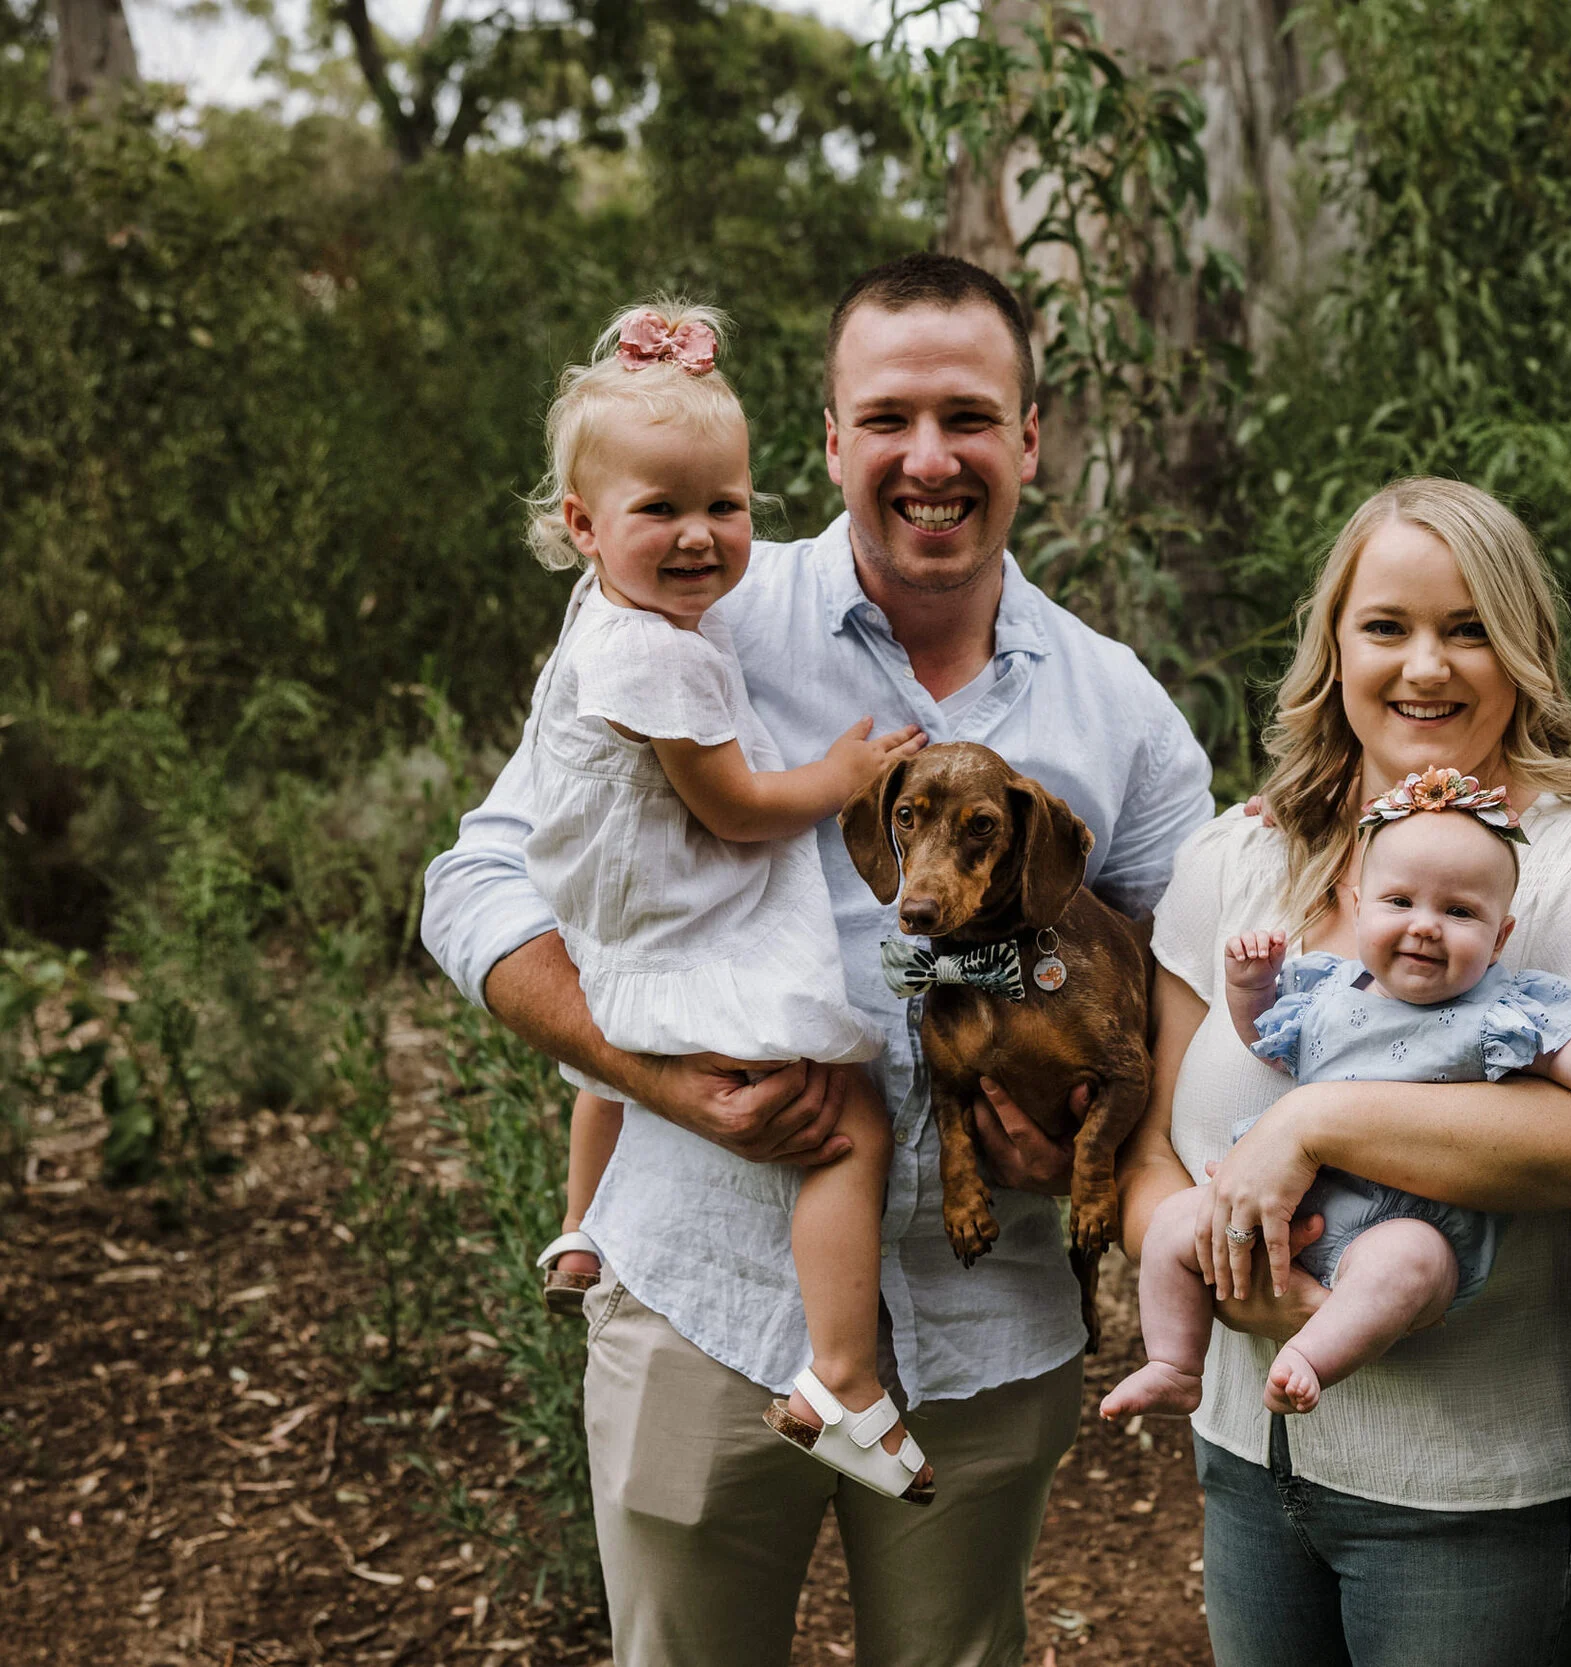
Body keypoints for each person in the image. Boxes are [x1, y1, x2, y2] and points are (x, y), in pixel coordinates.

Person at [421, 253, 1214, 1667]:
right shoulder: (678, 622)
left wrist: (1111, 1140)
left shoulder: (1122, 714)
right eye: (889, 416)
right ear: (832, 439)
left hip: (989, 1323)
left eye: (970, 415)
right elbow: (477, 878)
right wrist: (644, 1068)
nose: (930, 457)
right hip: (706, 1294)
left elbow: (1189, 994)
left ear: (1031, 438)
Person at [1114, 478, 1571, 1667]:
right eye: (1386, 626)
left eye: (1467, 626)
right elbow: (1151, 1153)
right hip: (1246, 1458)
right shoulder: (1236, 860)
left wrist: (1315, 1122)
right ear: (1333, 645)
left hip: (1470, 1487)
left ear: (1523, 648)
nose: (1424, 667)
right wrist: (1228, 1274)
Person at [508, 298, 935, 1503]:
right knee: (848, 1115)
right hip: (681, 918)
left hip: (613, 921)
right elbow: (735, 807)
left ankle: (582, 1224)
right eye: (663, 510)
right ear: (584, 524)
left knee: (606, 1056)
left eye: (726, 506)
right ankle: (842, 1375)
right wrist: (844, 775)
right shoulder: (666, 651)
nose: (701, 538)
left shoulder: (608, 617)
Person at [1104, 765, 1571, 1424]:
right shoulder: (1326, 994)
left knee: (1406, 1264)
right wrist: (1250, 985)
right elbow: (1264, 1040)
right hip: (1285, 1207)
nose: (1425, 926)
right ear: (1360, 906)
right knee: (1174, 1220)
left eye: (1458, 911)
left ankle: (1311, 1355)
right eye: (1400, 902)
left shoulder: (1500, 1012)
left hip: (1405, 1226)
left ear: (1501, 936)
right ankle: (1174, 1362)